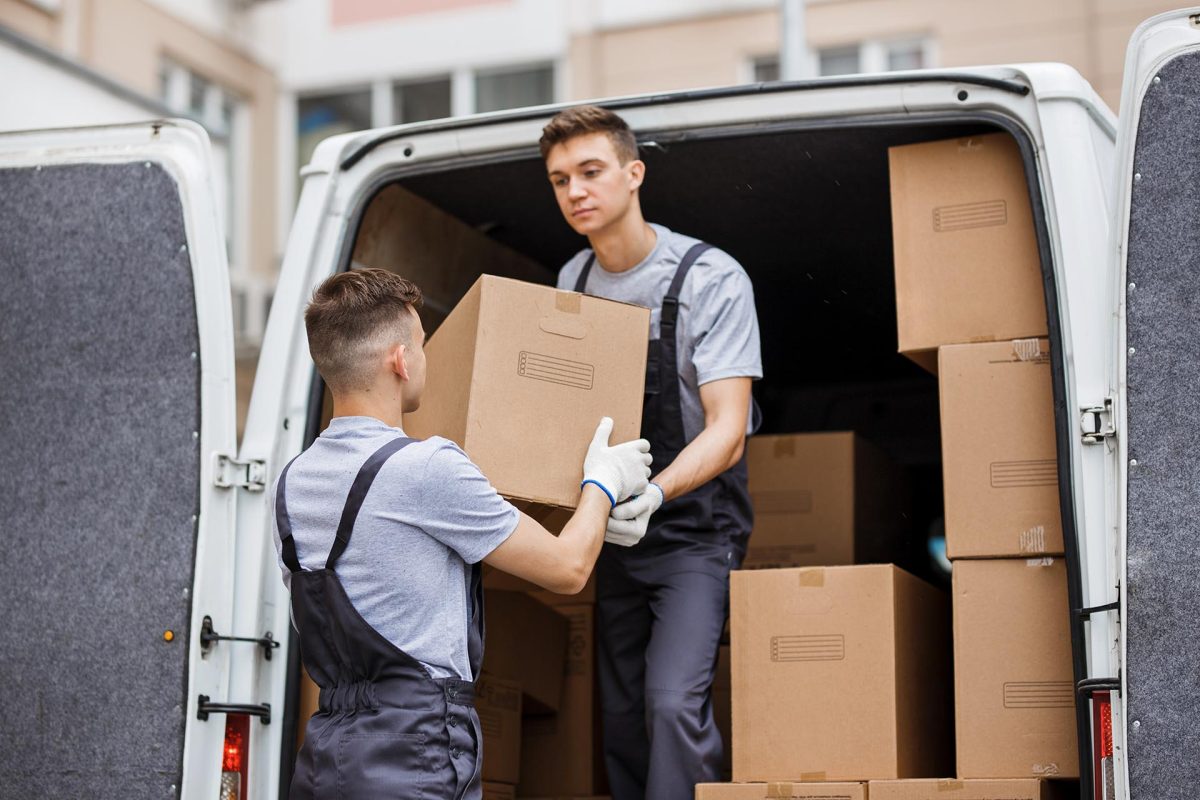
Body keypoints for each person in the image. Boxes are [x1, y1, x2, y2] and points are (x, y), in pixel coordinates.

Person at [271, 267, 653, 800]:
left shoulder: (291, 485)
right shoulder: (428, 469)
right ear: (401, 361)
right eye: (422, 345)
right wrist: (603, 485)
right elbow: (567, 569)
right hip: (414, 754)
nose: (423, 357)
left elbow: (395, 570)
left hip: (326, 759)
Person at [541, 105, 763, 800]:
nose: (575, 191)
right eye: (558, 180)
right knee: (622, 720)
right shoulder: (572, 279)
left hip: (695, 533)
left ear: (634, 174)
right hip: (608, 537)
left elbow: (728, 428)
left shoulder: (709, 278)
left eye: (590, 171)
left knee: (671, 704)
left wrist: (653, 494)